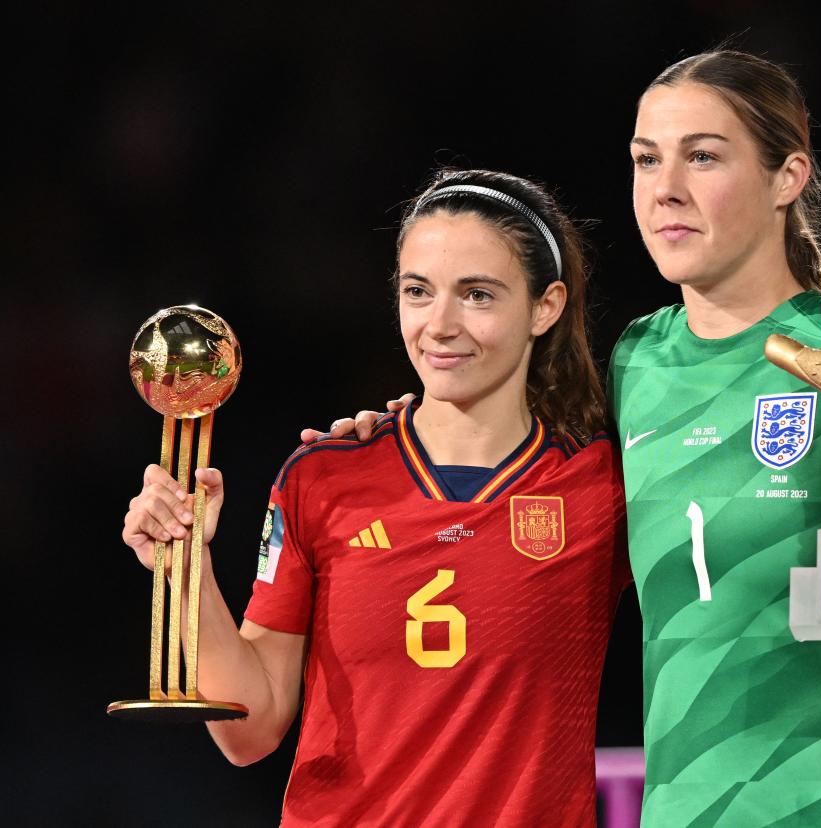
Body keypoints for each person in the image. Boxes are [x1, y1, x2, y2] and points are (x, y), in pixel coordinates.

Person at [316, 50, 821, 827]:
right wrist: (390, 451)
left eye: (703, 156)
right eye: (647, 160)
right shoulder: (635, 363)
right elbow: (509, 502)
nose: (665, 189)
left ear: (787, 177)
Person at [123, 170, 629, 826]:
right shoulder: (321, 478)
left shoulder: (602, 486)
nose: (440, 325)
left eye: (477, 295)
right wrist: (185, 569)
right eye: (418, 292)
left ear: (546, 305)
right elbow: (248, 733)